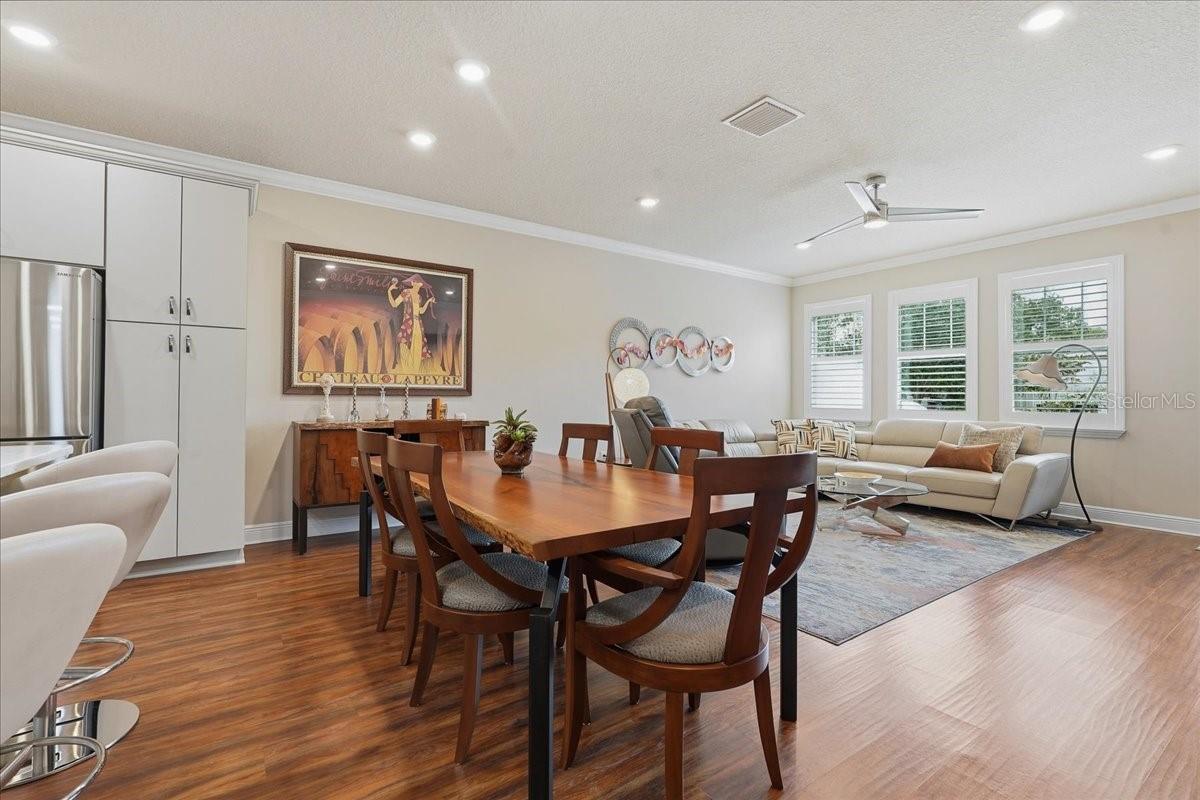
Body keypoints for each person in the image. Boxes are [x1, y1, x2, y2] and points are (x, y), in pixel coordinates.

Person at [388, 275, 435, 374]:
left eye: (418, 282)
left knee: (417, 347)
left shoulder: (419, 297)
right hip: (408, 323)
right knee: (403, 344)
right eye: (414, 282)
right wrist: (389, 292)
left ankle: (415, 371)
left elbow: (421, 311)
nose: (416, 284)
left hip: (418, 324)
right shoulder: (406, 292)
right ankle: (407, 370)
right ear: (412, 283)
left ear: (421, 284)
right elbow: (394, 304)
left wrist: (428, 301)